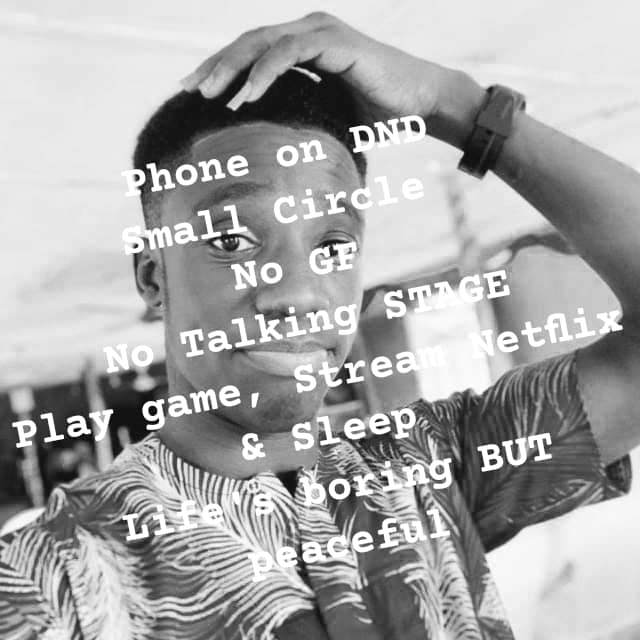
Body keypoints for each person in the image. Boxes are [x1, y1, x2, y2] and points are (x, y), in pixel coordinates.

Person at [1, 12, 639, 640]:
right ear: (153, 278)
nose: (300, 294)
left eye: (332, 246)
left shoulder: (436, 466)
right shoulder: (57, 576)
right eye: (232, 240)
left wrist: (452, 102)